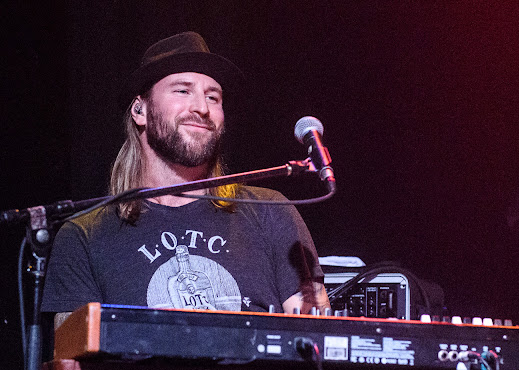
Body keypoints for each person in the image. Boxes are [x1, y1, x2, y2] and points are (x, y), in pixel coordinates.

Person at [41, 32, 330, 327]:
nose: (202, 108)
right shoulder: (84, 236)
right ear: (140, 110)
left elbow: (316, 347)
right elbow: (71, 364)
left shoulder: (271, 211)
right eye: (182, 91)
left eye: (213, 97)